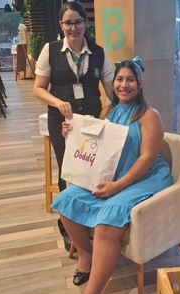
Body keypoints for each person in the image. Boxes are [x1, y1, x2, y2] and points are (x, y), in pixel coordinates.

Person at [51, 59, 173, 294]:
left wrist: (118, 186)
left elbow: (146, 159)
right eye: (119, 79)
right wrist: (70, 133)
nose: (124, 85)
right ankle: (86, 254)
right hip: (114, 174)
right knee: (66, 200)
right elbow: (93, 144)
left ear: (140, 83)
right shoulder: (108, 111)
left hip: (145, 178)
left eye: (130, 79)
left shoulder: (149, 115)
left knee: (107, 223)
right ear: (112, 82)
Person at [33, 2, 114, 249]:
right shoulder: (51, 50)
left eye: (78, 22)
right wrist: (58, 103)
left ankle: (90, 219)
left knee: (92, 168)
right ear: (61, 24)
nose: (73, 28)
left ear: (85, 23)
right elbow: (38, 88)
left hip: (91, 121)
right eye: (68, 23)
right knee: (68, 170)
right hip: (62, 121)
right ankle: (67, 226)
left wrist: (106, 114)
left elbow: (112, 93)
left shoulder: (98, 52)